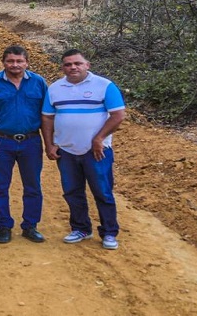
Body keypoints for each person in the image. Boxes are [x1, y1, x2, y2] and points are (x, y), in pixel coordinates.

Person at [41, 49, 126, 250]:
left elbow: (118, 115)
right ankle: (80, 228)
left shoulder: (105, 86)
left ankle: (109, 232)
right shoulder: (54, 89)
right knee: (72, 191)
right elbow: (47, 117)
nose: (73, 67)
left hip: (97, 152)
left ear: (87, 65)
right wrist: (49, 144)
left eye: (77, 63)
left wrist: (99, 138)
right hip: (67, 151)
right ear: (62, 67)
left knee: (103, 192)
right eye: (68, 64)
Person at [0, 45, 48, 244]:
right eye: (10, 61)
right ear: (3, 62)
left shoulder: (38, 83)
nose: (15, 65)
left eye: (19, 61)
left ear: (27, 62)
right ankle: (4, 226)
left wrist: (50, 142)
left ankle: (30, 226)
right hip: (1, 141)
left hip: (31, 141)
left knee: (32, 185)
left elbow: (47, 115)